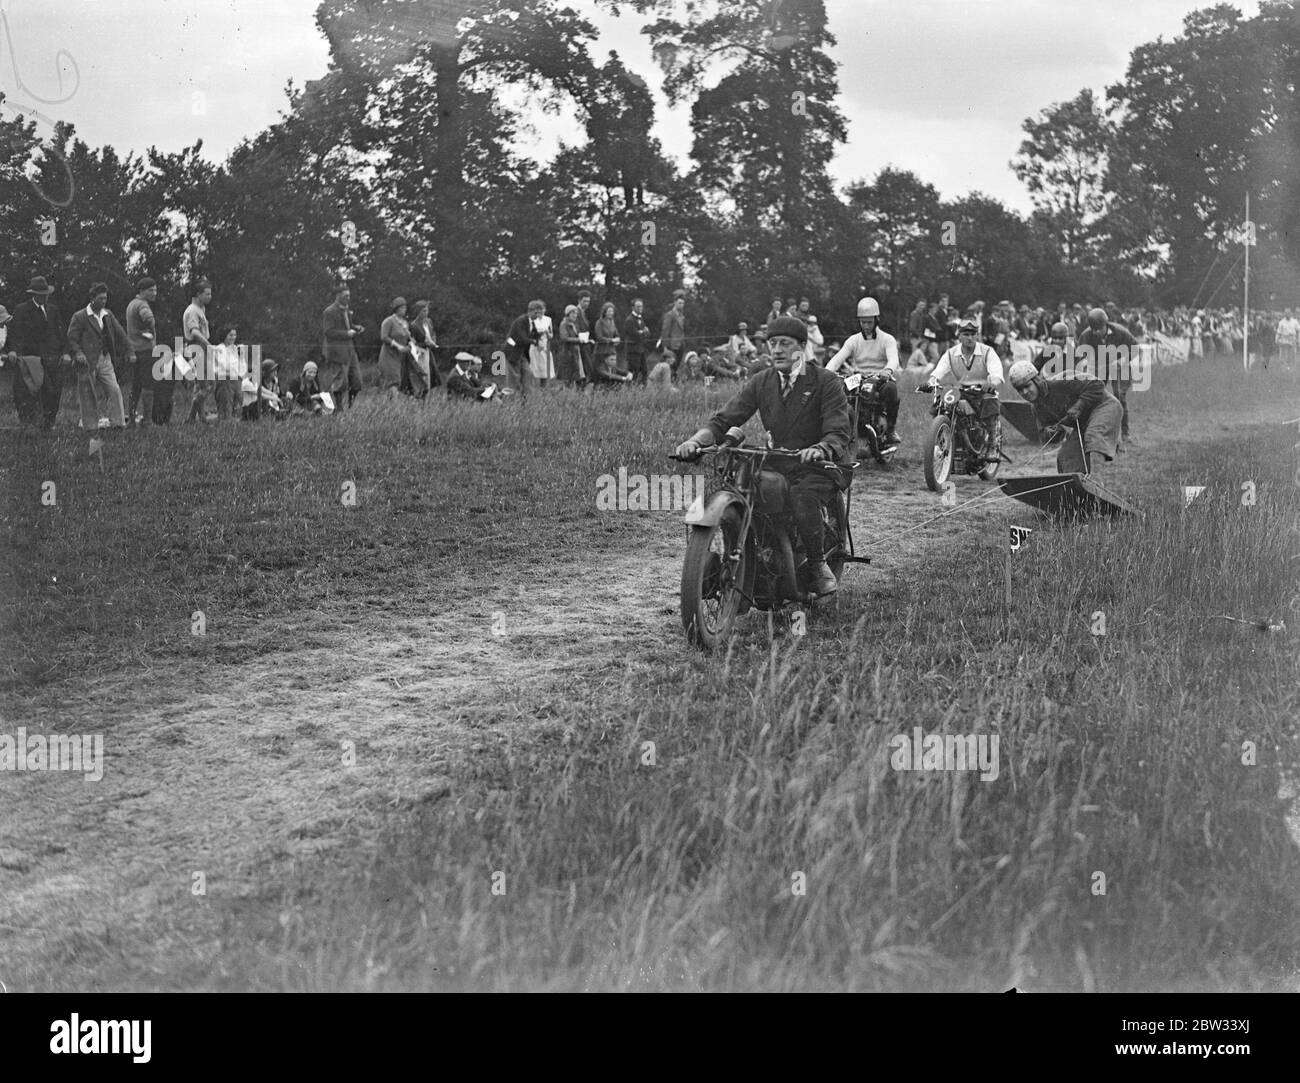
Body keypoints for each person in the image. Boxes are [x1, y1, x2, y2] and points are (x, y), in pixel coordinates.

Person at [674, 316, 851, 598]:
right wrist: (695, 441)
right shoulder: (762, 381)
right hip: (780, 459)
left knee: (803, 497)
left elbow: (838, 429)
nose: (777, 350)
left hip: (819, 463)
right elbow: (724, 420)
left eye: (785, 343)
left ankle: (818, 565)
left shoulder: (825, 381)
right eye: (772, 343)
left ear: (803, 347)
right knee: (745, 486)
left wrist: (821, 447)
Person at [1007, 359, 1121, 476]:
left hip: (1105, 406)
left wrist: (1078, 406)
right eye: (1020, 390)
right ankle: (1078, 491)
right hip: (1083, 423)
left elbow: (1097, 384)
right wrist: (1052, 433)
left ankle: (1098, 484)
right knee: (1066, 456)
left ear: (1036, 380)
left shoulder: (1061, 381)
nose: (1024, 392)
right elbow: (1044, 435)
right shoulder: (1037, 408)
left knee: (1093, 438)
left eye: (1027, 386)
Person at [824, 296, 902, 445]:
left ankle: (891, 430)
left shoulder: (887, 339)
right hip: (858, 378)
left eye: (869, 322)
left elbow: (893, 359)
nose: (866, 326)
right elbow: (838, 358)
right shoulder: (854, 340)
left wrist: (888, 370)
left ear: (876, 320)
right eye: (863, 322)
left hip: (880, 378)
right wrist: (826, 373)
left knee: (891, 390)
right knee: (840, 392)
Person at [926, 317, 1004, 446]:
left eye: (973, 334)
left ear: (977, 335)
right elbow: (938, 372)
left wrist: (992, 383)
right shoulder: (951, 354)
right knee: (941, 405)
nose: (970, 338)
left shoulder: (987, 351)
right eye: (966, 334)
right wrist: (930, 383)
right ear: (959, 336)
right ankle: (942, 439)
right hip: (962, 391)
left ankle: (992, 441)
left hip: (982, 391)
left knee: (990, 399)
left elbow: (996, 372)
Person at [7, 274, 71, 429]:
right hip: (32, 358)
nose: (45, 297)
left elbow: (62, 334)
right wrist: (14, 350)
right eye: (42, 295)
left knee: (54, 391)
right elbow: (15, 333)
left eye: (47, 295)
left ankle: (49, 424)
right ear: (34, 295)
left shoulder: (53, 310)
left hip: (53, 358)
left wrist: (66, 352)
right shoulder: (22, 310)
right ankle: (30, 425)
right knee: (29, 392)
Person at [66, 282, 129, 433]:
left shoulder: (108, 315)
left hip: (105, 358)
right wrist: (79, 353)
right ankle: (90, 426)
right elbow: (71, 338)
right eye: (100, 298)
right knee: (87, 393)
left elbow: (121, 333)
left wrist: (129, 350)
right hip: (87, 361)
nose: (104, 301)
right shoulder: (80, 316)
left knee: (114, 389)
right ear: (92, 298)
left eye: (105, 298)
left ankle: (118, 423)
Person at [1076, 306, 1138, 452]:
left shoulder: (1120, 331)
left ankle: (1125, 434)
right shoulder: (1086, 335)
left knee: (1120, 397)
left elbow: (1135, 348)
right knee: (1095, 396)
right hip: (1099, 367)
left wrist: (1122, 361)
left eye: (1099, 328)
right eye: (1093, 329)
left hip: (1120, 366)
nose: (1096, 332)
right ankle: (1095, 432)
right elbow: (1080, 354)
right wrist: (1086, 363)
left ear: (1105, 325)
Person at [321, 284, 364, 408]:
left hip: (350, 351)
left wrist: (356, 328)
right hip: (337, 352)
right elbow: (328, 332)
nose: (348, 298)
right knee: (340, 382)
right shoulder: (329, 312)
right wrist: (346, 334)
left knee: (357, 382)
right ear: (338, 296)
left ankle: (350, 406)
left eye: (349, 295)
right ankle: (338, 409)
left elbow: (348, 325)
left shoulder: (347, 311)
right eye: (346, 296)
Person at [124, 277, 158, 426]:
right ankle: (147, 420)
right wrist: (150, 332)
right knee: (148, 385)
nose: (154, 293)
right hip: (145, 350)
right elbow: (149, 319)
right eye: (151, 290)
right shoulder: (143, 305)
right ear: (142, 291)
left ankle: (131, 419)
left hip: (134, 350)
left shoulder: (132, 304)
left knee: (135, 386)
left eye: (155, 290)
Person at [182, 278, 214, 422]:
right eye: (207, 294)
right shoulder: (192, 310)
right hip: (197, 348)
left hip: (201, 348)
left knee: (201, 384)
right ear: (198, 294)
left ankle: (199, 418)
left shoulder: (201, 309)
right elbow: (194, 332)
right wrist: (208, 346)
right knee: (208, 385)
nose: (209, 297)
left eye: (210, 294)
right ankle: (192, 417)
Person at [378, 297, 412, 397]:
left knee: (399, 380)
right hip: (389, 355)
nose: (404, 309)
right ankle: (396, 407)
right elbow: (384, 337)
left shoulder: (405, 323)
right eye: (401, 307)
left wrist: (410, 346)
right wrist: (397, 346)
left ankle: (390, 404)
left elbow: (408, 338)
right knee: (393, 380)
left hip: (400, 356)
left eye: (405, 307)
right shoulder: (388, 321)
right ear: (396, 308)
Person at [211, 326, 246, 420]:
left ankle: (235, 426)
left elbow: (242, 367)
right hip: (224, 380)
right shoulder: (220, 348)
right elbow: (225, 366)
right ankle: (224, 425)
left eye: (235, 335)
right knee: (225, 405)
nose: (233, 337)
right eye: (230, 335)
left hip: (236, 380)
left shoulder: (236, 348)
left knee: (238, 404)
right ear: (225, 336)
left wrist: (241, 354)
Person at [406, 300, 437, 395]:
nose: (426, 313)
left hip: (428, 352)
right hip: (419, 353)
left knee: (431, 374)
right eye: (423, 311)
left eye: (427, 310)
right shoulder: (413, 325)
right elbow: (412, 343)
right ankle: (419, 396)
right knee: (421, 376)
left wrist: (433, 342)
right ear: (418, 311)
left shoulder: (429, 322)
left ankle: (427, 398)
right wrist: (425, 344)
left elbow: (433, 333)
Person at [623, 299, 652, 384]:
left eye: (641, 306)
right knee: (633, 372)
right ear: (633, 307)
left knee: (644, 371)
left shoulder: (640, 318)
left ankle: (642, 389)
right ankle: (630, 390)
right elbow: (635, 335)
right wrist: (643, 332)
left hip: (641, 350)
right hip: (633, 351)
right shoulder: (629, 320)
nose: (640, 308)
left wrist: (643, 332)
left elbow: (647, 333)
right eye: (638, 306)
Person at [555, 304, 583, 387]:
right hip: (567, 353)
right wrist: (578, 340)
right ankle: (564, 395)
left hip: (574, 352)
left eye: (576, 313)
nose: (575, 315)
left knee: (574, 376)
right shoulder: (564, 324)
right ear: (568, 314)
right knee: (567, 377)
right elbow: (564, 338)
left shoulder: (574, 324)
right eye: (573, 313)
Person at [659, 295, 687, 376]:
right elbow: (665, 331)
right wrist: (665, 347)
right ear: (675, 303)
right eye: (679, 303)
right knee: (670, 366)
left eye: (683, 303)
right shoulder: (669, 315)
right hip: (672, 345)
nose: (681, 305)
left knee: (676, 366)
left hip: (680, 345)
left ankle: (673, 383)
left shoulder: (682, 316)